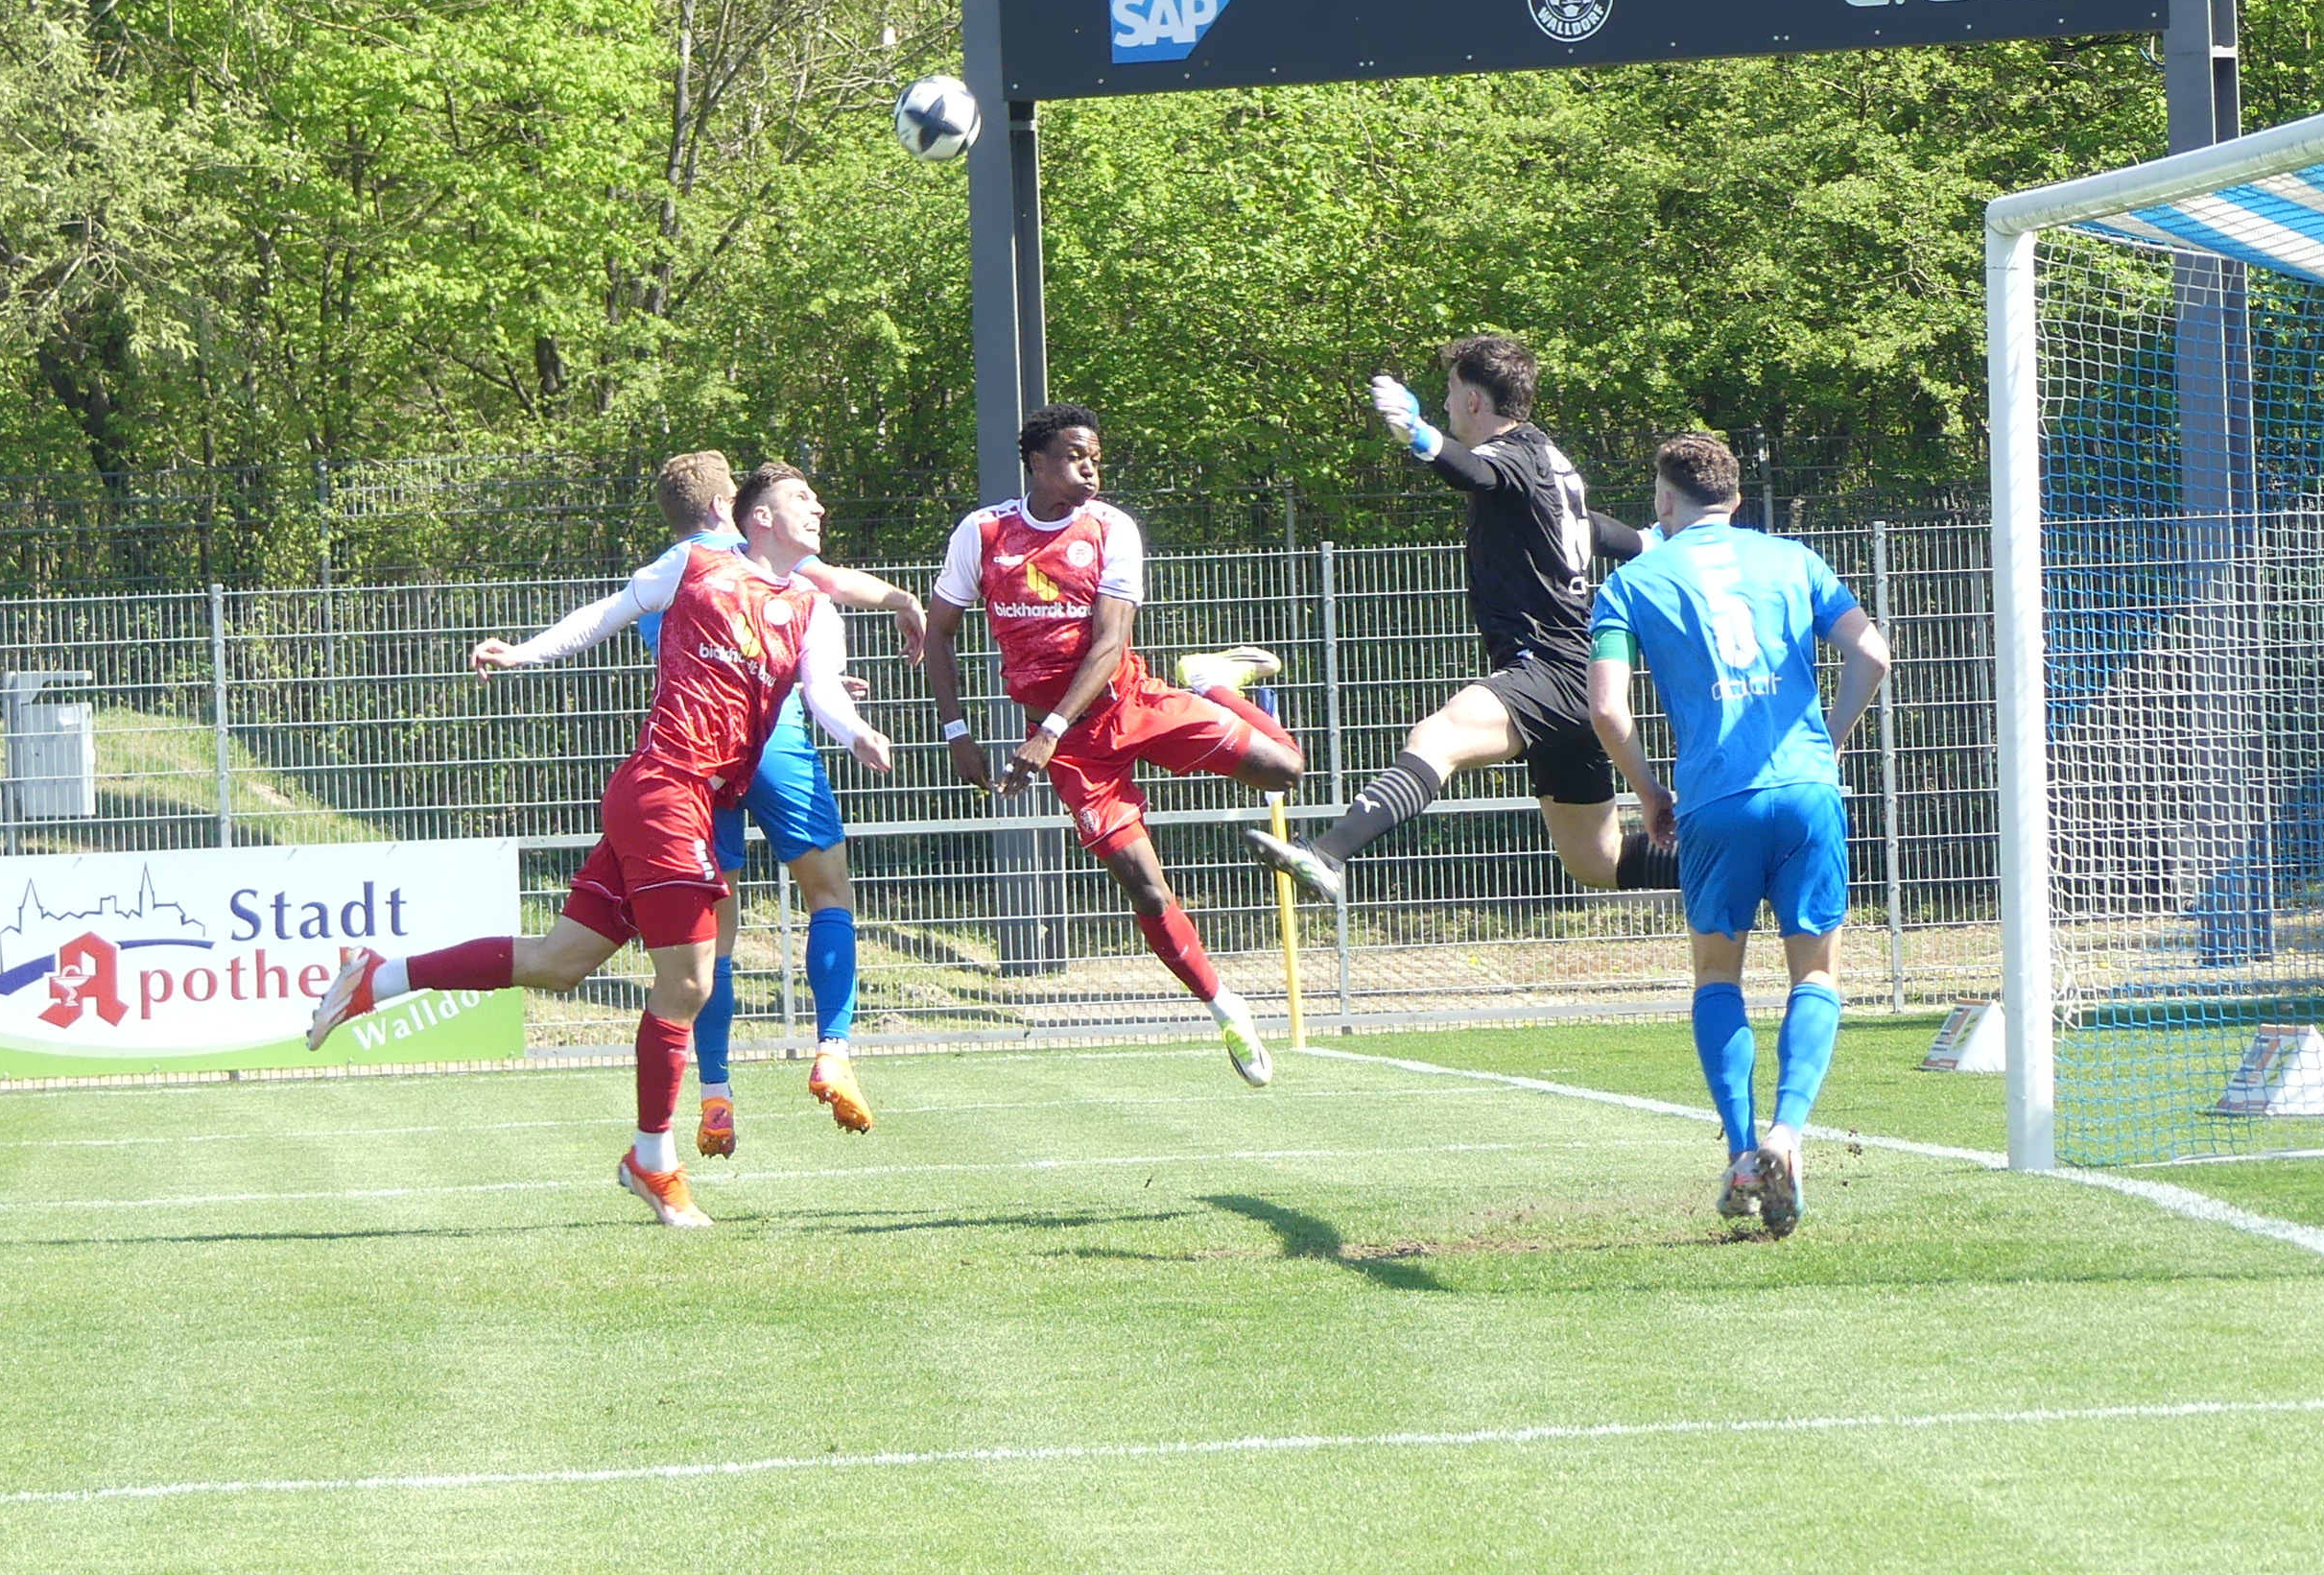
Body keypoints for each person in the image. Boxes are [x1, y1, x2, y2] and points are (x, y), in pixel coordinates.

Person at [304, 464, 893, 1228]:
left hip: (675, 799)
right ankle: (654, 1162)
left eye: (817, 495)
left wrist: (857, 734)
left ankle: (378, 981)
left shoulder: (813, 607)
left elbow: (821, 690)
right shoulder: (697, 564)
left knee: (559, 963)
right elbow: (606, 614)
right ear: (756, 518)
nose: (816, 505)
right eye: (799, 498)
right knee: (688, 984)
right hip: (665, 789)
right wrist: (523, 653)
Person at [919, 405, 1302, 1086]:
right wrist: (956, 732)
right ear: (1037, 463)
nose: (1089, 467)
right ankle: (1225, 1009)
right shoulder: (984, 533)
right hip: (1074, 749)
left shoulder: (1111, 528)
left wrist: (1047, 732)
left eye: (1095, 455)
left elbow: (1108, 645)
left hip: (1129, 701)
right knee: (1146, 891)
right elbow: (938, 632)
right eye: (1073, 455)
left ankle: (1210, 682)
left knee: (1284, 769)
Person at [1586, 431, 1892, 1239]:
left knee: (1716, 973)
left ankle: (1743, 1148)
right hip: (1806, 790)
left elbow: (1608, 710)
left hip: (1714, 803)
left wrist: (1650, 790)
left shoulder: (1631, 583)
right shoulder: (1794, 560)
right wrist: (1827, 738)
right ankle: (1789, 1138)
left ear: (1662, 501)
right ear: (1737, 501)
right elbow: (1872, 654)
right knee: (1816, 974)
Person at [1252, 335, 1671, 907]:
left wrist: (1420, 437)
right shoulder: (1547, 461)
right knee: (1597, 863)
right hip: (1575, 673)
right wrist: (1649, 542)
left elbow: (1474, 473)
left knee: (1437, 736)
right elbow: (1585, 525)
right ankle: (1739, 862)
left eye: (1450, 393)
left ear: (1474, 402)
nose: (1445, 404)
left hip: (1551, 666)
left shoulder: (1514, 456)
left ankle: (1326, 854)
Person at [629, 450, 926, 1152]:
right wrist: (900, 600)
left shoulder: (662, 578)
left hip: (700, 759)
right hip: (773, 742)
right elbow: (821, 584)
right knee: (829, 894)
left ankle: (716, 1093)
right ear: (721, 511)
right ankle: (833, 1049)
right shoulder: (737, 550)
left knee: (716, 939)